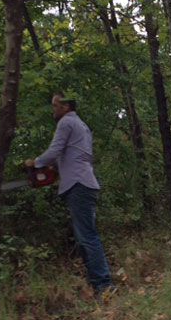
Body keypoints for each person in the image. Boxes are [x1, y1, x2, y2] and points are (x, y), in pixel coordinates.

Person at [26, 93, 114, 298]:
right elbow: (72, 155)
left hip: (78, 184)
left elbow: (54, 150)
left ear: (65, 106)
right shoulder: (81, 126)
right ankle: (97, 285)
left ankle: (104, 285)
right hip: (84, 182)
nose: (53, 110)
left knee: (87, 237)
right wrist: (52, 168)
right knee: (85, 237)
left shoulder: (66, 123)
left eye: (55, 106)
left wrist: (36, 163)